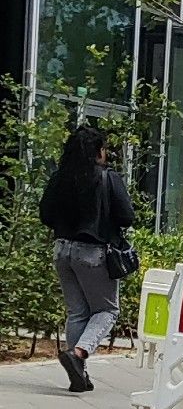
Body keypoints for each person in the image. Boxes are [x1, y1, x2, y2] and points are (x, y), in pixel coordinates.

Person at [39, 125, 136, 392]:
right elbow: (127, 216)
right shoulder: (107, 178)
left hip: (62, 250)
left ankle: (78, 376)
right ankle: (79, 353)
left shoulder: (60, 177)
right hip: (93, 253)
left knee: (78, 311)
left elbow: (45, 215)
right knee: (107, 310)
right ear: (97, 151)